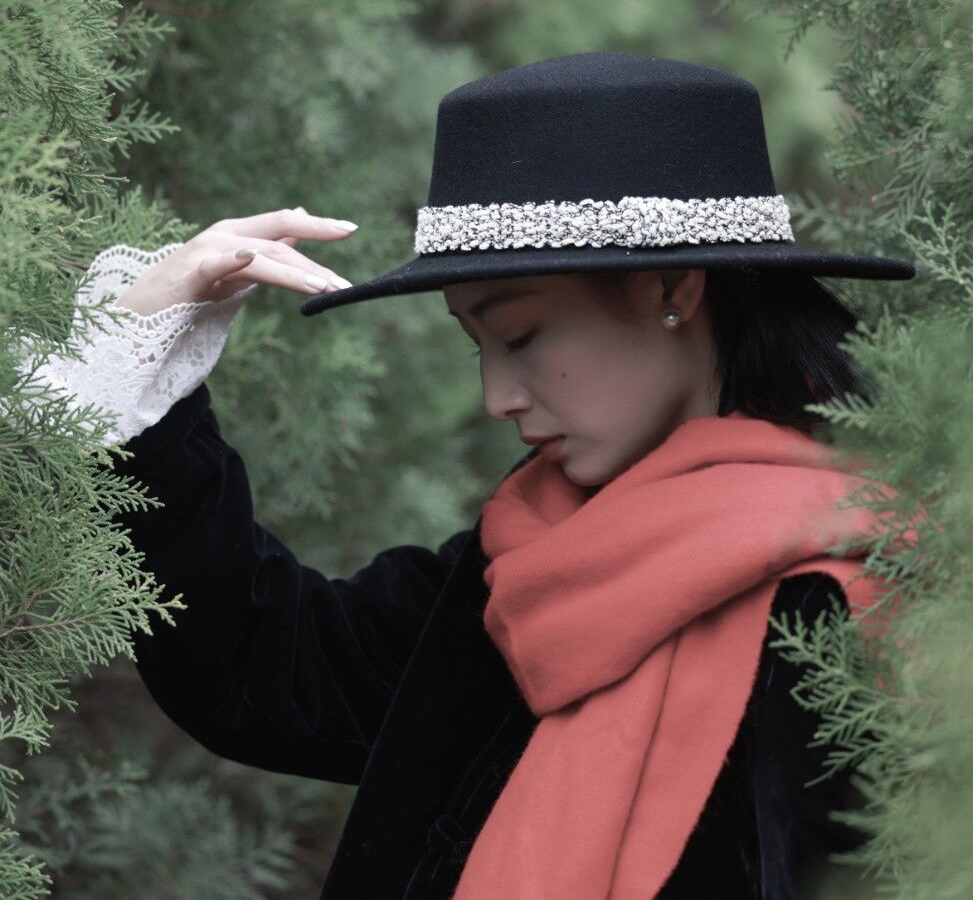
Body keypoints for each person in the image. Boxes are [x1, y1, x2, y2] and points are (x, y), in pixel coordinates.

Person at [38, 52, 916, 898]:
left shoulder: (844, 602)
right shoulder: (534, 561)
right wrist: (140, 388)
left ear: (670, 291)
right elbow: (275, 673)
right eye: (477, 344)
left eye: (523, 334)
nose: (497, 396)